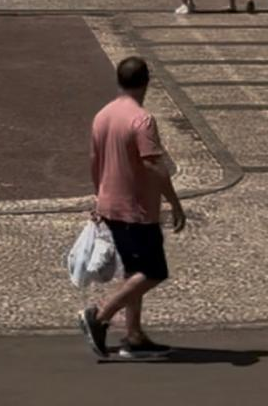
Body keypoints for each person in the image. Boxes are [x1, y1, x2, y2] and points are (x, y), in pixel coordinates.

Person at [81, 56, 185, 361]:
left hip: (111, 204)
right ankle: (100, 316)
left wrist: (98, 196)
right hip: (137, 209)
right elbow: (153, 165)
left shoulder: (103, 115)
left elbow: (93, 160)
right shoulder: (142, 119)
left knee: (134, 272)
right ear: (146, 82)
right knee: (153, 272)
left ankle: (134, 335)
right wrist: (175, 202)